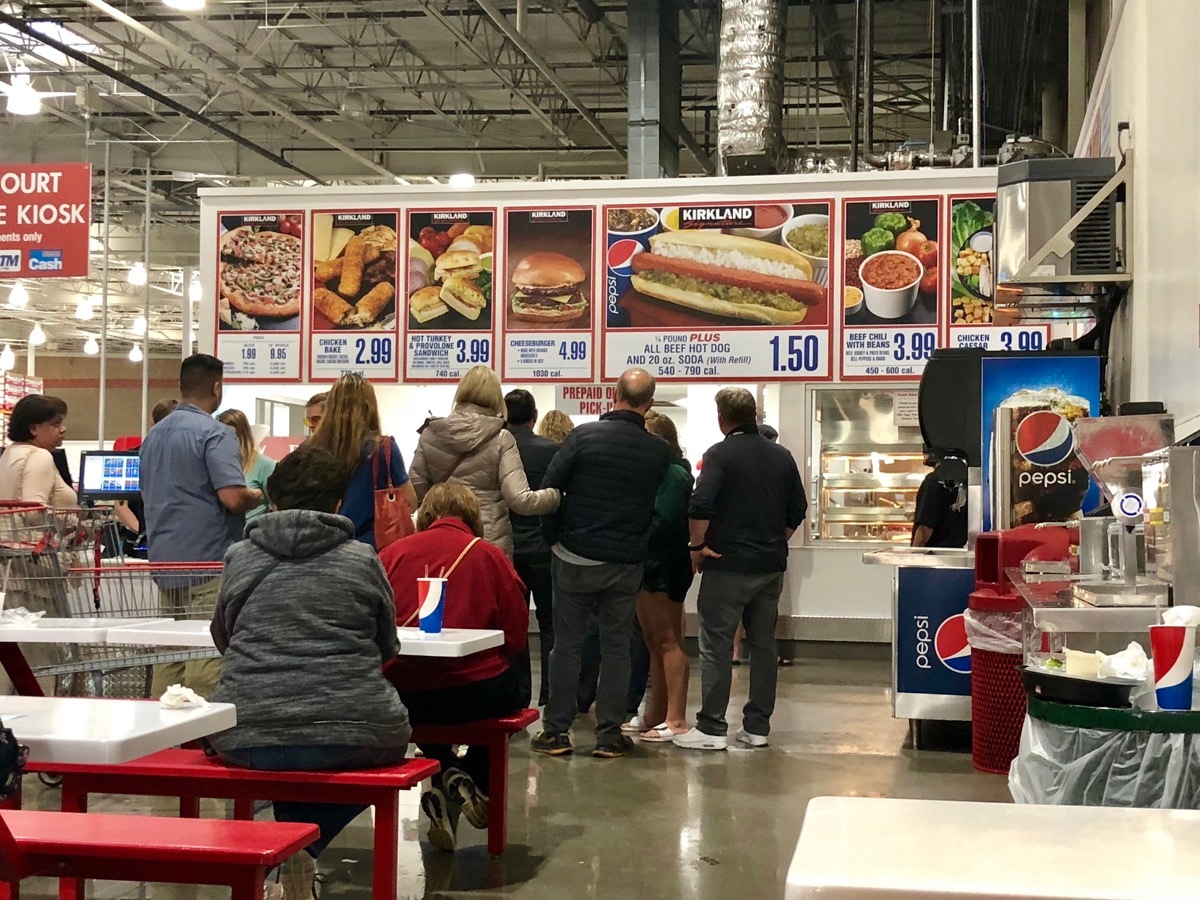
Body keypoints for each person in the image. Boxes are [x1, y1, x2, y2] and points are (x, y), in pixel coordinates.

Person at [209, 445, 410, 898]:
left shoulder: (240, 556)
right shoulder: (362, 559)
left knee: (285, 749)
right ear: (339, 505)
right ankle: (306, 845)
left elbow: (223, 637)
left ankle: (292, 845)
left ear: (272, 501)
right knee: (360, 746)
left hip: (245, 731)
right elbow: (387, 646)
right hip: (355, 728)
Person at [531, 368, 671, 759]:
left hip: (574, 556)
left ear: (614, 394)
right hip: (625, 563)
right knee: (617, 647)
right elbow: (659, 506)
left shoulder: (583, 437)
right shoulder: (658, 451)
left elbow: (550, 490)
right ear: (650, 402)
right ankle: (609, 734)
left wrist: (553, 538)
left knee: (567, 646)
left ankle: (557, 731)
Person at [380, 483, 527, 852]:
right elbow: (515, 636)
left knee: (422, 689)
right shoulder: (489, 556)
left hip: (403, 695)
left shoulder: (391, 554)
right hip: (474, 694)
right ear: (473, 517)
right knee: (513, 688)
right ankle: (471, 776)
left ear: (425, 516)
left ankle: (444, 770)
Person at [674, 389, 806, 751]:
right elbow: (798, 508)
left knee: (716, 645)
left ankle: (712, 728)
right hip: (770, 568)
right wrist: (773, 538)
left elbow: (700, 504)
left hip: (727, 565)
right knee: (763, 646)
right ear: (754, 415)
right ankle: (757, 727)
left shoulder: (719, 455)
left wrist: (697, 547)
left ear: (722, 419)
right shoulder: (781, 456)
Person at [140, 354, 263, 698]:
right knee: (206, 656)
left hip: (164, 561)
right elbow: (233, 499)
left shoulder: (153, 436)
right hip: (207, 563)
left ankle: (163, 739)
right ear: (217, 387)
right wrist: (258, 494)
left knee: (170, 655)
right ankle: (203, 739)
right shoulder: (215, 433)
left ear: (180, 387)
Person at [409, 365, 559, 557]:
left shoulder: (431, 434)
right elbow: (520, 500)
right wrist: (556, 496)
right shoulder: (501, 438)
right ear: (496, 398)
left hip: (438, 538)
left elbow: (415, 494)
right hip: (488, 542)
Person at [635, 412, 694, 742]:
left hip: (664, 564)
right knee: (654, 642)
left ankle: (675, 718)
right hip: (649, 563)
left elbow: (666, 520)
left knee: (668, 641)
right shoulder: (661, 472)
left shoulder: (672, 475)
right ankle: (656, 713)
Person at [308, 374, 417, 548]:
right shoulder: (383, 448)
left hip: (322, 545)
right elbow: (410, 501)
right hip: (372, 548)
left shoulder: (311, 449)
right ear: (370, 406)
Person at [504, 388, 561, 707]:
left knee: (514, 625)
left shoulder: (497, 449)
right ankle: (551, 694)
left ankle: (518, 695)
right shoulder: (553, 450)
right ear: (534, 416)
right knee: (552, 624)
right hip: (544, 548)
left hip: (508, 548)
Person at [114, 398, 178, 554]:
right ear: (153, 424)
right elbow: (121, 506)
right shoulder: (133, 457)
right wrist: (143, 534)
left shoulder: (183, 458)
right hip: (139, 543)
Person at [0, 395, 75, 508]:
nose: (63, 429)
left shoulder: (10, 452)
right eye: (56, 423)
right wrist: (72, 521)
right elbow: (34, 512)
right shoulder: (39, 455)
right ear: (33, 429)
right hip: (38, 526)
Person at [217, 409, 276, 522]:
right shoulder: (218, 465)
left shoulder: (264, 465)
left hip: (253, 535)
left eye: (230, 436)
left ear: (242, 435)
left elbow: (277, 507)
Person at [911, 450, 968, 548]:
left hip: (934, 556)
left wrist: (913, 557)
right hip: (956, 553)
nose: (924, 453)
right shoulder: (964, 479)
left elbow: (925, 529)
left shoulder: (933, 480)